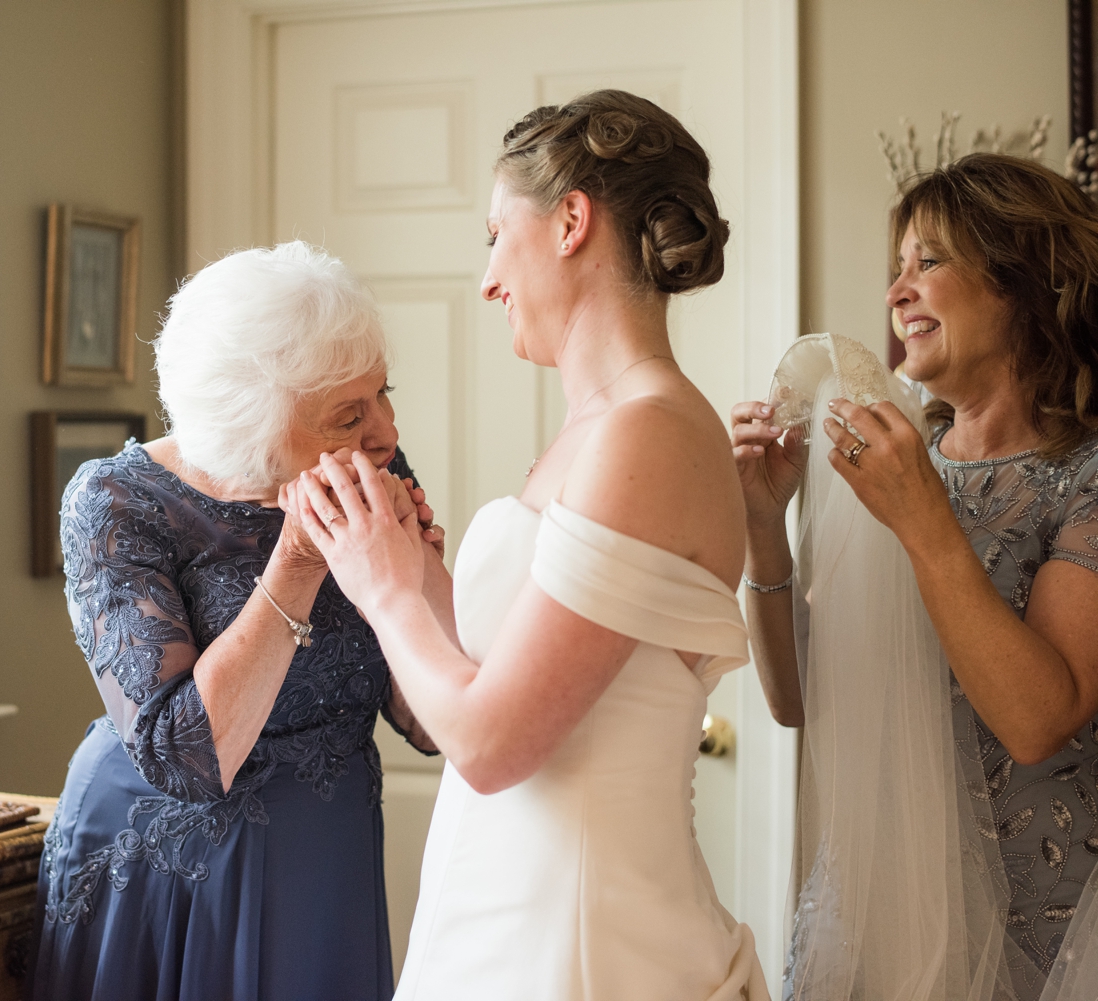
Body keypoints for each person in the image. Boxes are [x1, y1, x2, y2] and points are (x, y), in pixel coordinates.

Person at [285, 90, 769, 1000]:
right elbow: (506, 684)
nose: (487, 279)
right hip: (507, 906)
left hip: (583, 940)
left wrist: (383, 587)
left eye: (495, 234)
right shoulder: (600, 428)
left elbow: (494, 743)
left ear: (571, 222)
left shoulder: (649, 433)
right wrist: (421, 577)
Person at [26, 241, 449, 1001]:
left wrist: (419, 577)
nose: (385, 431)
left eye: (384, 394)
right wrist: (296, 564)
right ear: (254, 425)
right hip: (172, 885)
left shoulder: (363, 463)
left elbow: (436, 723)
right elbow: (186, 760)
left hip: (325, 873)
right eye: (350, 413)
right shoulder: (116, 504)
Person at [733, 153, 1098, 1001]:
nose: (899, 291)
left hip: (1037, 929)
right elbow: (800, 700)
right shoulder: (892, 458)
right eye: (895, 269)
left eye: (928, 261)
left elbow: (1038, 720)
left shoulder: (1082, 477)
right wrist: (762, 528)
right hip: (876, 916)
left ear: (1024, 280)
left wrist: (923, 517)